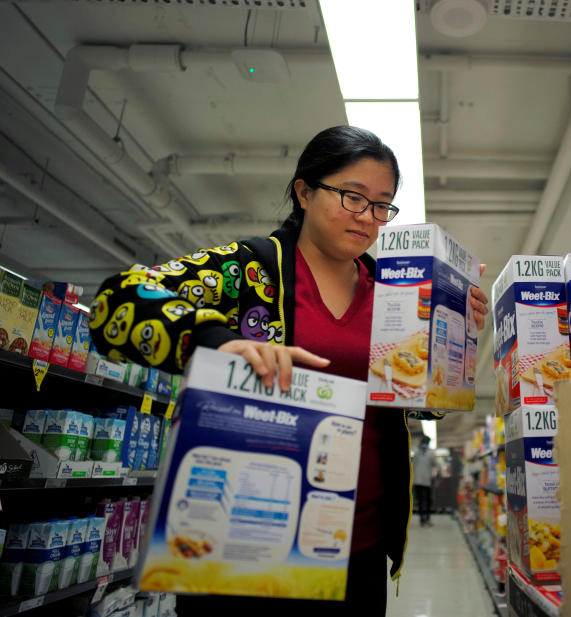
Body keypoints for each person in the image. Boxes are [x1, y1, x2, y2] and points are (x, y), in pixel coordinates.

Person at [88, 126, 489, 616]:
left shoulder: (396, 291)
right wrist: (217, 341)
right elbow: (116, 300)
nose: (368, 217)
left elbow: (420, 400)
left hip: (355, 544)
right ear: (303, 191)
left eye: (382, 205)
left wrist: (454, 335)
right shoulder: (250, 269)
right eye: (351, 196)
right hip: (245, 539)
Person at [412, 435, 437, 526]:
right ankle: (424, 519)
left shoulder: (419, 452)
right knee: (425, 501)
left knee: (423, 501)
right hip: (424, 481)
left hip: (422, 481)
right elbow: (435, 465)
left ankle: (424, 520)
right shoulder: (420, 452)